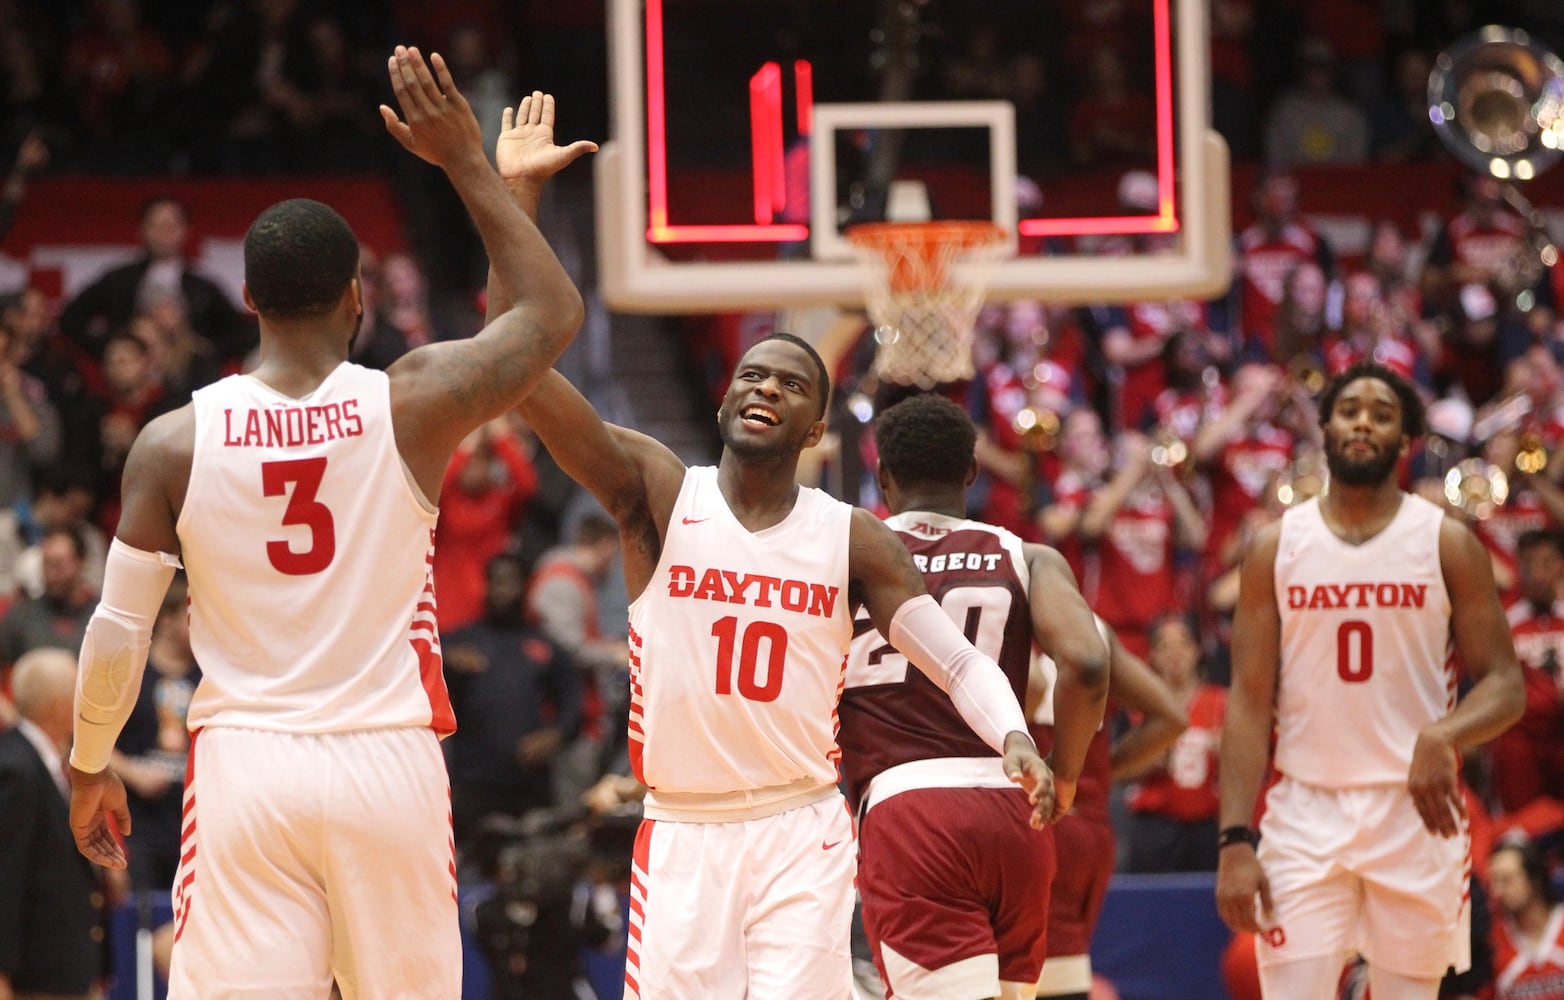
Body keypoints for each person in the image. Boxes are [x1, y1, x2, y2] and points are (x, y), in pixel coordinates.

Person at [489, 113, 1066, 999]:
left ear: (815, 427)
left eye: (792, 384)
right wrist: (518, 197)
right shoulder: (657, 490)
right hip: (681, 832)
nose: (766, 388)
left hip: (801, 826)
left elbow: (952, 657)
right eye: (753, 374)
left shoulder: (852, 537)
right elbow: (513, 361)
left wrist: (1015, 735)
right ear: (725, 399)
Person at [64, 48, 593, 998]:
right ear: (358, 296)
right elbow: (546, 316)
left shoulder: (173, 442)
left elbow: (118, 629)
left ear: (251, 302)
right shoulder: (413, 401)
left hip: (247, 766)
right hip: (386, 757)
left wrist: (91, 761)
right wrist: (479, 170)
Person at [1216, 360, 1526, 999]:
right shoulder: (1276, 547)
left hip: (1417, 815)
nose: (1364, 421)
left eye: (1382, 414)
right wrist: (1233, 838)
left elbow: (1505, 684)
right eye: (1351, 409)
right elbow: (1247, 702)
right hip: (1304, 812)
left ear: (1405, 439)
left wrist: (1445, 735)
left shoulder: (1446, 543)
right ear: (1325, 427)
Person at [839, 392, 1110, 999]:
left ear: (882, 475)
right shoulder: (1026, 555)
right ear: (971, 472)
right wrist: (1062, 774)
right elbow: (1089, 664)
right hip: (1014, 811)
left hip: (910, 809)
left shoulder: (845, 553)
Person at [0, 648, 105, 1000]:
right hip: (34, 978)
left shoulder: (48, 762)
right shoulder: (16, 768)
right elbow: (5, 875)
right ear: (61, 705)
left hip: (65, 971)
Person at [1488, 839, 1564, 1000]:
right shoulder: (1491, 942)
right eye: (1494, 882)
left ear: (1534, 878)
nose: (1498, 891)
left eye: (1507, 880)